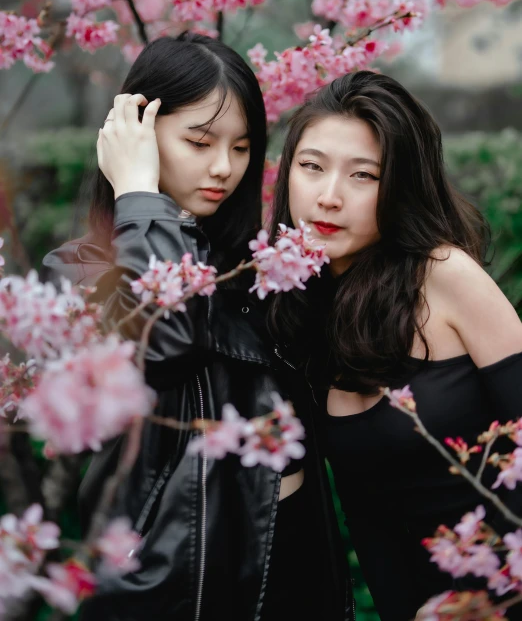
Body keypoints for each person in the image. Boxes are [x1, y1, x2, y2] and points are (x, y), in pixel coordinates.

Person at [41, 33, 353, 621]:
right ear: (136, 133)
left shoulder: (256, 272)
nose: (224, 167)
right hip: (173, 587)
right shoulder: (78, 272)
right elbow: (167, 335)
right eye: (200, 141)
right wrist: (138, 192)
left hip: (294, 573)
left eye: (242, 147)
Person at [267, 70, 522, 621]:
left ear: (399, 185)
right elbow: (369, 519)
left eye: (363, 175)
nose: (329, 197)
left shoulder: (446, 275)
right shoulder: (302, 311)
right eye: (311, 167)